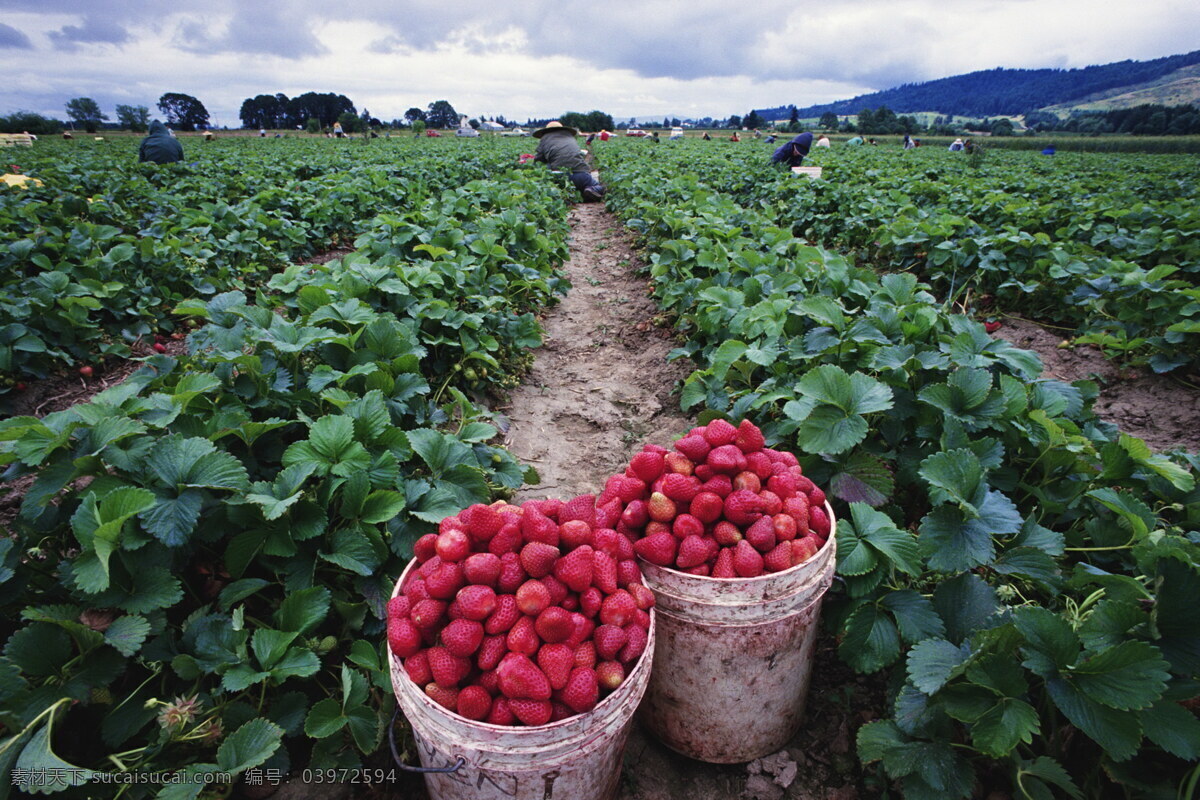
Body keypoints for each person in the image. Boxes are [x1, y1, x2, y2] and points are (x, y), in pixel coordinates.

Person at [533, 120, 605, 202]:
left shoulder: (544, 139)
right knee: (597, 185)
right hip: (580, 175)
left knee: (548, 165)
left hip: (559, 177)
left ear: (546, 131)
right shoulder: (570, 137)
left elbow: (538, 162)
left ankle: (558, 193)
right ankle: (590, 189)